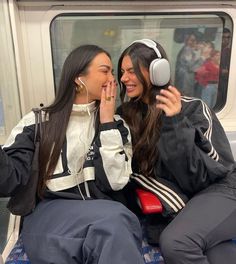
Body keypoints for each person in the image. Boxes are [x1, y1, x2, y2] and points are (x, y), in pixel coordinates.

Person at [0, 45, 145, 264]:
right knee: (114, 224)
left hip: (104, 209)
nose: (113, 79)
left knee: (115, 223)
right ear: (79, 79)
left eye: (111, 73)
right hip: (50, 214)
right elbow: (10, 180)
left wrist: (107, 122)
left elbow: (115, 183)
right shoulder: (37, 122)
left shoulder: (117, 126)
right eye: (105, 71)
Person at [117, 39, 236, 264]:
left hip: (222, 190)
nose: (124, 78)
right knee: (215, 254)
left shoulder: (193, 108)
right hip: (191, 200)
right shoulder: (127, 117)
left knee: (177, 243)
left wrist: (175, 123)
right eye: (122, 72)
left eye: (131, 71)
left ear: (156, 71)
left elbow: (206, 175)